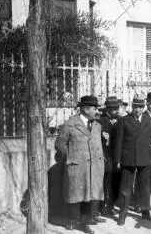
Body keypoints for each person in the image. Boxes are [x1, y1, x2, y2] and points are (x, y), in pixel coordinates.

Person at [55, 95, 106, 234]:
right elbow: (60, 145)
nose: (97, 111)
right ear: (85, 109)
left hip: (94, 166)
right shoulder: (70, 125)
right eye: (94, 108)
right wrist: (71, 157)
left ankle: (84, 222)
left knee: (89, 195)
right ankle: (72, 220)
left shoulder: (97, 125)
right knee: (75, 194)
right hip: (77, 166)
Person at [114, 96, 151, 225]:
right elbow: (118, 141)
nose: (138, 110)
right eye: (135, 107)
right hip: (128, 158)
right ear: (132, 107)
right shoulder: (124, 120)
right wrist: (118, 159)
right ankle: (122, 215)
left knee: (144, 187)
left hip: (144, 158)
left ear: (144, 107)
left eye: (140, 107)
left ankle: (145, 212)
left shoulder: (149, 120)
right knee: (125, 188)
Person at [98, 96, 122, 218]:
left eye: (117, 108)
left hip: (117, 156)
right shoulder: (100, 121)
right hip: (105, 155)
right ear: (107, 109)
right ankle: (104, 207)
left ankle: (111, 205)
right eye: (114, 109)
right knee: (106, 181)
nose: (117, 111)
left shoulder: (120, 119)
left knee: (116, 181)